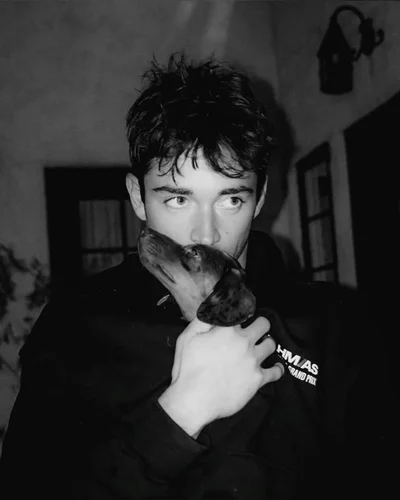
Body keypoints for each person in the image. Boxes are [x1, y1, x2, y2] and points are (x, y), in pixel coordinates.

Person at [0, 53, 388, 499]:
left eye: (231, 199)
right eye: (178, 200)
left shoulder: (336, 325)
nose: (206, 233)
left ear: (260, 198)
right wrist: (180, 412)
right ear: (138, 197)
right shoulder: (74, 327)